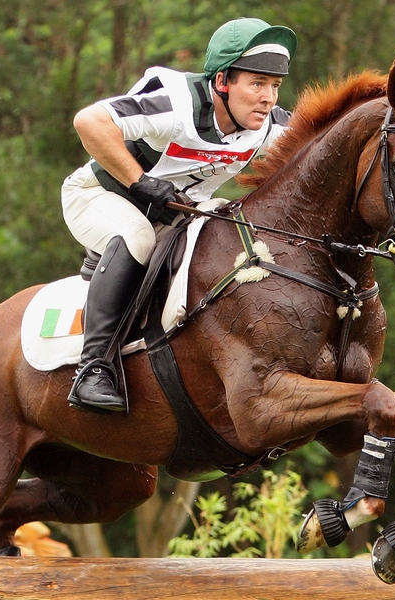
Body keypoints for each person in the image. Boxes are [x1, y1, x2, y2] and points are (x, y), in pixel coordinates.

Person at [62, 17, 298, 413]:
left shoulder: (270, 127)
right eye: (256, 84)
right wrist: (139, 182)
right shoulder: (176, 103)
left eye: (274, 86)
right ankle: (92, 369)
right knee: (137, 236)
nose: (269, 98)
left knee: (232, 232)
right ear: (222, 81)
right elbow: (88, 121)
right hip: (97, 195)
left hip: (173, 212)